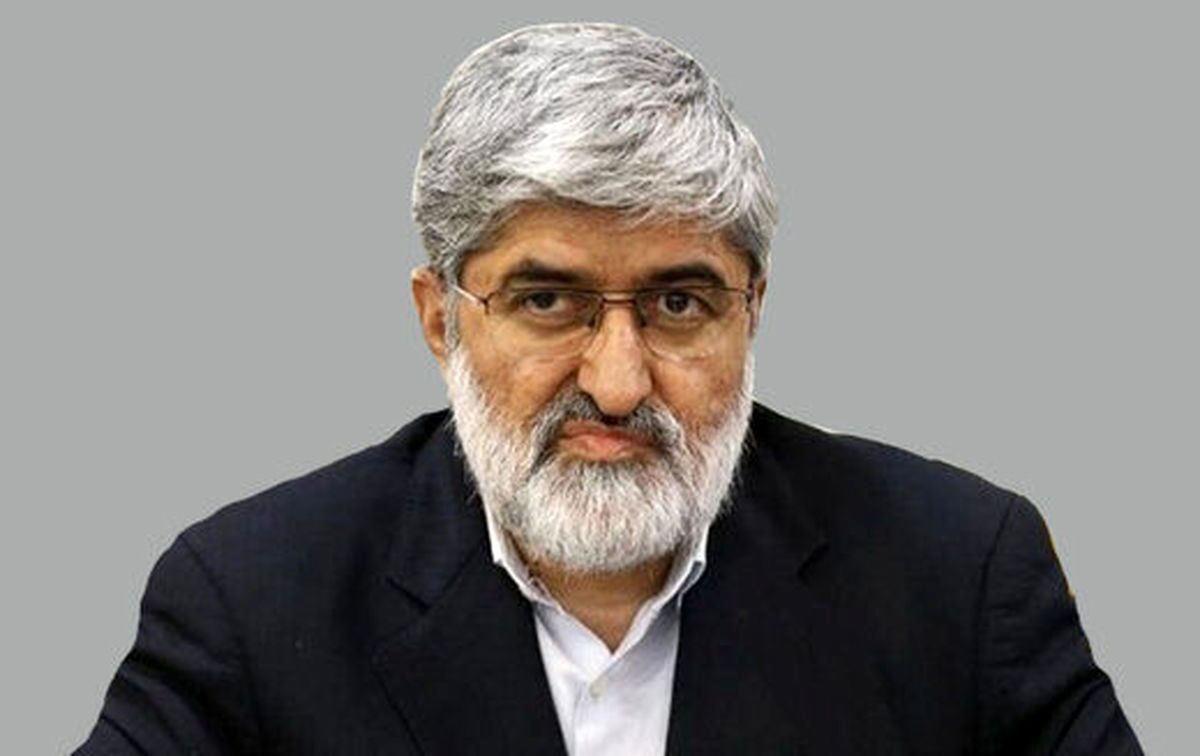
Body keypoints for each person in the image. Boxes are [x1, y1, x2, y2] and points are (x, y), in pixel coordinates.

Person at [76, 22, 1141, 755]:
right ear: (440, 319)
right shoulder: (252, 601)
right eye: (548, 300)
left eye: (680, 303)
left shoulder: (957, 575)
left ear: (753, 311)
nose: (620, 384)